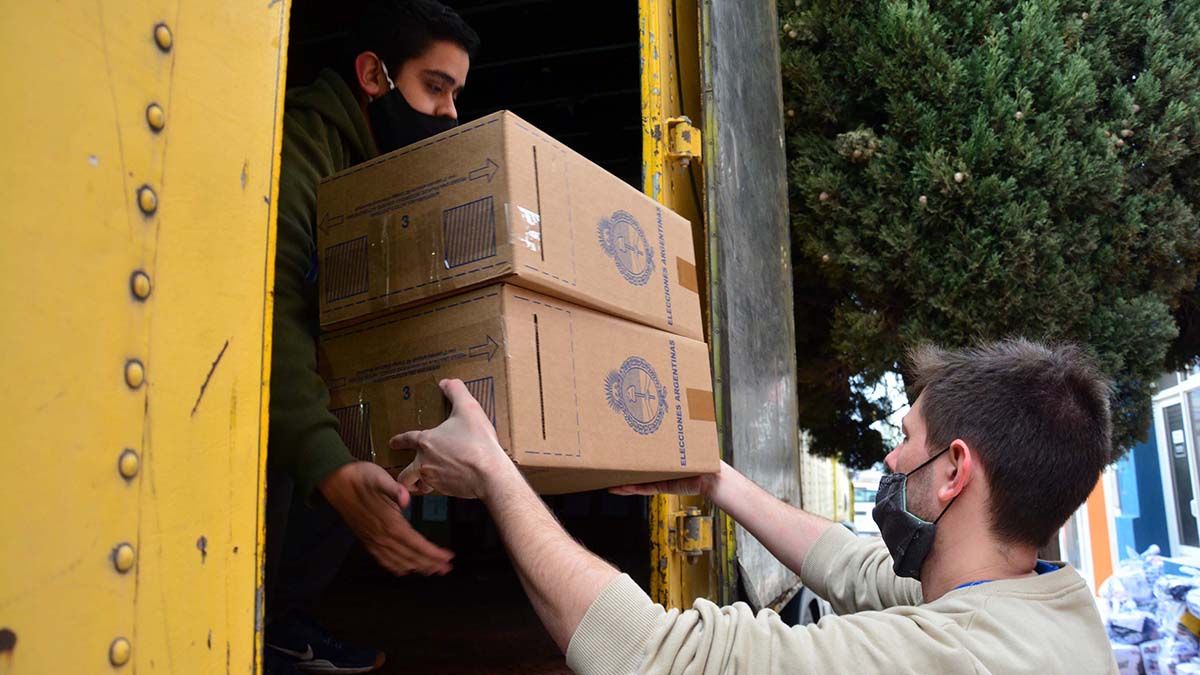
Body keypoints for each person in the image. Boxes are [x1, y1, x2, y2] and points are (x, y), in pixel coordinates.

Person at [393, 339, 1118, 673]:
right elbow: (853, 566)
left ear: (955, 468)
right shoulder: (1042, 602)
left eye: (907, 440)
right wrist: (716, 482)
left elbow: (648, 656)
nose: (893, 461)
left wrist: (492, 468)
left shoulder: (956, 658)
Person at [264, 2, 478, 672]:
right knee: (323, 453)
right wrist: (325, 461)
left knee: (377, 436)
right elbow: (273, 306)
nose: (448, 112)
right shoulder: (305, 143)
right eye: (435, 86)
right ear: (374, 75)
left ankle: (284, 620)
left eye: (455, 94)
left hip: (323, 376)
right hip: (264, 389)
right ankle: (259, 621)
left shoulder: (386, 169)